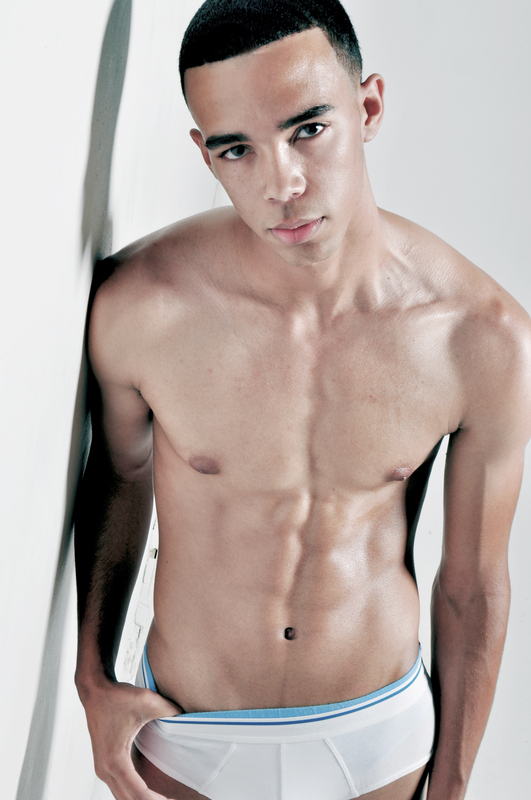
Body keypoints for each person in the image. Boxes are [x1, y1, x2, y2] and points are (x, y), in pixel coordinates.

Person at [74, 1, 531, 799]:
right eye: (236, 149)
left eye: (308, 129)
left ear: (369, 107)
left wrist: (453, 785)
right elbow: (118, 477)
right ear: (205, 154)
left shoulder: (480, 336)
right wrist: (91, 681)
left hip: (375, 739)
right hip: (186, 730)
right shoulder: (142, 306)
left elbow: (473, 583)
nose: (280, 184)